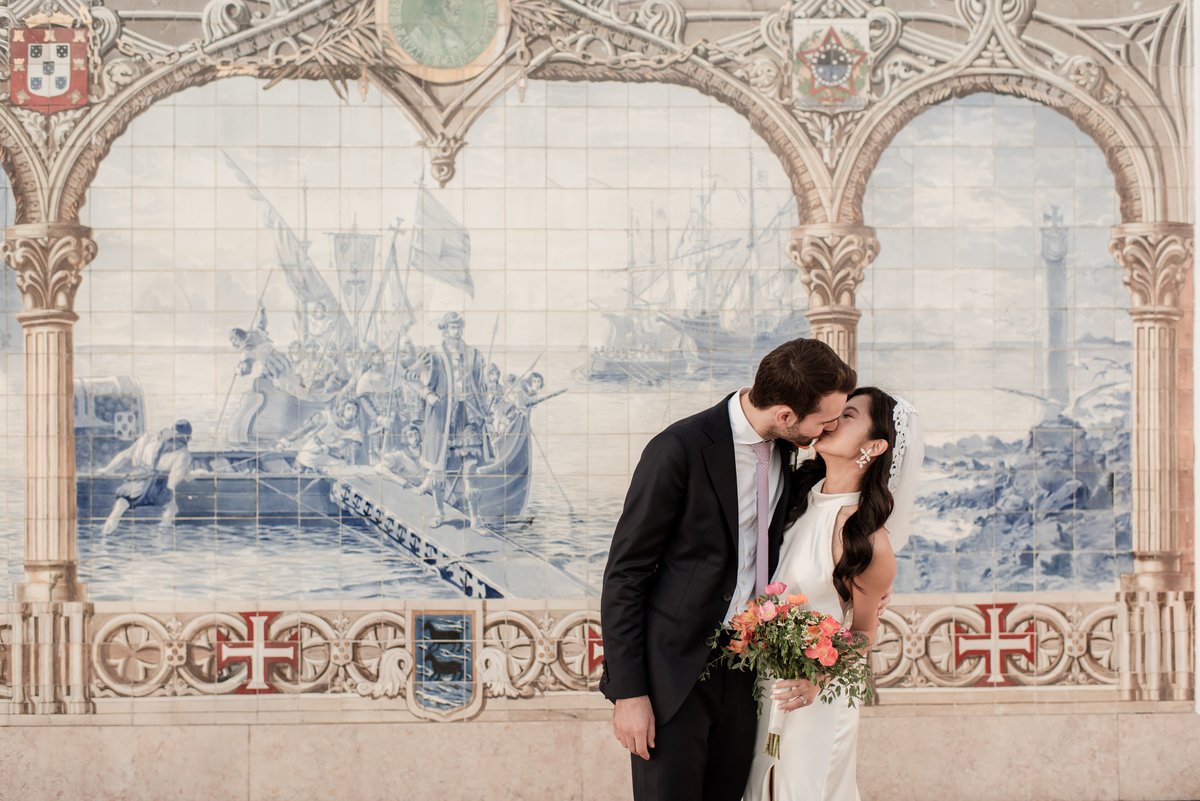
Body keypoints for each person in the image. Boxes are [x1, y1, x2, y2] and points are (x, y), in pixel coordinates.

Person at [600, 338, 859, 801]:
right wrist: (629, 694)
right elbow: (625, 573)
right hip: (672, 678)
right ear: (784, 415)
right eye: (825, 421)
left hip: (745, 674)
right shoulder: (678, 448)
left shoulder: (786, 449)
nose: (831, 428)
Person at [743, 388, 922, 801]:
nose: (833, 420)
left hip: (815, 699)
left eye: (850, 415)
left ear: (874, 446)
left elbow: (862, 634)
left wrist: (814, 680)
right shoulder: (794, 497)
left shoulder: (865, 538)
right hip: (766, 689)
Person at [100, 420, 194, 534]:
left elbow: (125, 455)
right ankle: (162, 542)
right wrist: (190, 476)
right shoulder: (183, 453)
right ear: (187, 437)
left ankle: (104, 539)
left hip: (137, 482)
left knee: (118, 509)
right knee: (172, 509)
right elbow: (172, 482)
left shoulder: (148, 438)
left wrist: (107, 470)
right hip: (158, 487)